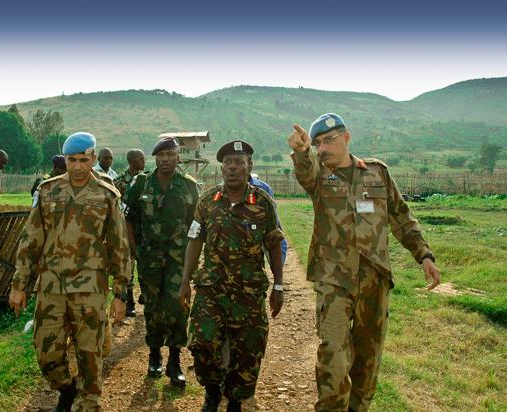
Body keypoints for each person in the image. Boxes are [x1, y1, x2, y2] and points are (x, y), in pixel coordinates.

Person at [287, 113, 441, 412]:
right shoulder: (319, 176)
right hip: (334, 279)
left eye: (328, 141)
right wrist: (302, 152)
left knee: (368, 359)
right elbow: (305, 173)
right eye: (318, 144)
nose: (323, 148)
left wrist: (424, 254)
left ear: (346, 138)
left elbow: (401, 217)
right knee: (333, 354)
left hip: (375, 279)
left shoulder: (376, 172)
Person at [9, 132, 130, 412]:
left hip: (89, 287)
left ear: (93, 159)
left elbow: (119, 246)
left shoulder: (106, 194)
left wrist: (120, 293)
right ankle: (66, 388)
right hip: (51, 285)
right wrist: (19, 285)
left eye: (83, 161)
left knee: (90, 354)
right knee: (46, 351)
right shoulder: (48, 190)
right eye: (71, 160)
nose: (76, 167)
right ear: (65, 159)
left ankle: (88, 403)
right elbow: (31, 239)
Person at [180, 140, 285, 412]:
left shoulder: (263, 203)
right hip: (211, 289)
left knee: (249, 350)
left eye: (239, 162)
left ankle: (235, 400)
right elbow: (195, 240)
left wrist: (279, 285)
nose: (232, 167)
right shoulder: (207, 202)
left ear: (249, 166)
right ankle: (212, 391)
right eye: (227, 163)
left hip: (248, 293)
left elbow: (274, 244)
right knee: (202, 343)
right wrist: (184, 281)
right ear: (221, 168)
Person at [124, 137, 200, 387]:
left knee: (178, 307)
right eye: (161, 156)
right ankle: (154, 355)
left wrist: (193, 260)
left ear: (178, 157)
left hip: (179, 261)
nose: (165, 160)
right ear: (155, 158)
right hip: (149, 260)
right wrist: (135, 250)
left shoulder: (189, 186)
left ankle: (175, 361)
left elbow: (197, 225)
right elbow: (129, 218)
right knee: (153, 307)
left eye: (170, 155)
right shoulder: (141, 183)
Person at [113, 149, 146, 317]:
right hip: (125, 230)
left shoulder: (147, 180)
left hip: (143, 230)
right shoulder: (118, 182)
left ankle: (146, 296)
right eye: (141, 159)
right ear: (132, 160)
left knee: (145, 266)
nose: (144, 161)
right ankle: (129, 303)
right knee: (128, 268)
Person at [248, 173, 288, 265]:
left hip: (261, 226)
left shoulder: (264, 188)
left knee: (275, 239)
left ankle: (279, 263)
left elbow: (274, 225)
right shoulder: (221, 190)